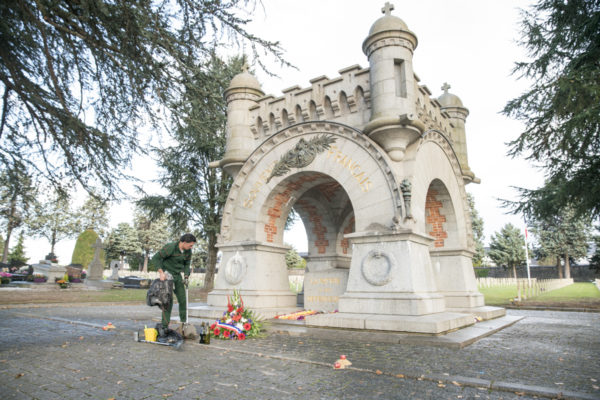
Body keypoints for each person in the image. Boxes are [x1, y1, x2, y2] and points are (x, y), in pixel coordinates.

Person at [152, 233, 196, 332]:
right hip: (167, 275)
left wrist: (186, 275)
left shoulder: (188, 251)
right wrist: (161, 272)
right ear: (184, 242)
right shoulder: (170, 247)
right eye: (190, 245)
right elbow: (155, 258)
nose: (191, 247)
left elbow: (187, 264)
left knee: (183, 300)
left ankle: (183, 324)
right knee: (168, 301)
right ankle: (164, 326)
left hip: (177, 276)